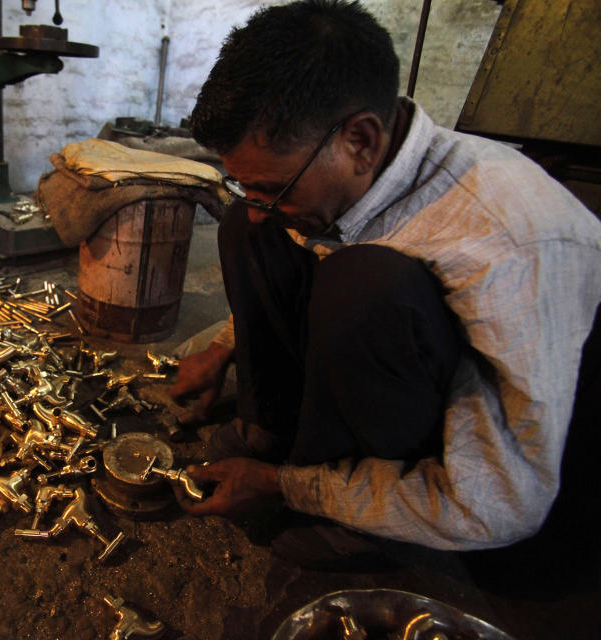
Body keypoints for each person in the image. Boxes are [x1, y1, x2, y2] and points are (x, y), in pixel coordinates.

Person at [168, 0, 601, 559]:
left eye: (273, 186)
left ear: (361, 142)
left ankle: (355, 503)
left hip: (516, 466)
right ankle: (272, 429)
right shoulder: (352, 167)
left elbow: (500, 506)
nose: (259, 204)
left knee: (363, 284)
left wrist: (293, 487)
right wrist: (229, 345)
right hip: (409, 357)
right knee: (251, 228)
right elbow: (302, 237)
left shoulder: (506, 246)